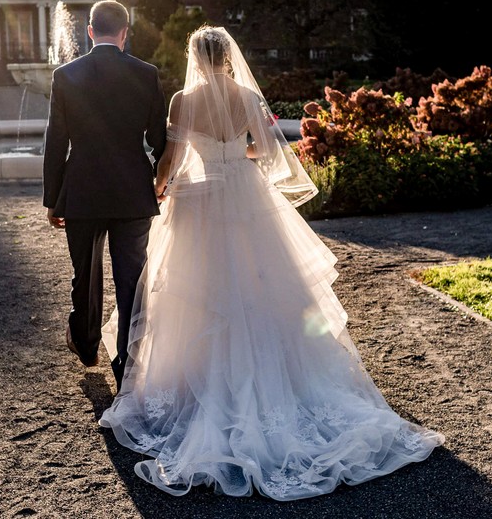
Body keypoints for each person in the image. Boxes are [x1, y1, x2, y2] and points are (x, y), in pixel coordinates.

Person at [99, 26, 443, 501]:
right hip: (246, 195)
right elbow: (266, 150)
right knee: (261, 287)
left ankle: (199, 382)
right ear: (229, 58)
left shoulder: (183, 100)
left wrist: (159, 187)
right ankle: (283, 381)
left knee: (199, 292)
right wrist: (237, 152)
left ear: (196, 58)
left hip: (200, 201)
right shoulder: (246, 96)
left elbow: (173, 159)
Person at [43, 0, 167, 390]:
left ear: (90, 31)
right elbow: (159, 139)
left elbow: (55, 142)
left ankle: (87, 345)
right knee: (131, 277)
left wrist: (53, 198)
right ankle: (127, 363)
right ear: (125, 33)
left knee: (86, 273)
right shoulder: (146, 74)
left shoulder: (66, 75)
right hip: (132, 192)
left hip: (81, 190)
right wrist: (158, 180)